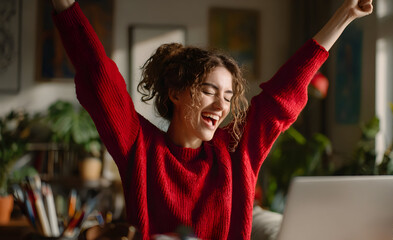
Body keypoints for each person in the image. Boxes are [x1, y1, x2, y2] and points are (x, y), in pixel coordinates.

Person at [50, 0, 373, 239]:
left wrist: (344, 14)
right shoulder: (141, 146)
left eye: (229, 96)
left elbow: (282, 95)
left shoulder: (236, 149)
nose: (222, 106)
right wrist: (65, 6)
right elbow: (98, 77)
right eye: (209, 91)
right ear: (175, 92)